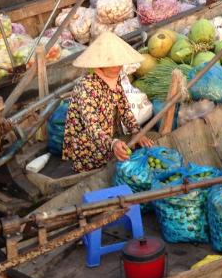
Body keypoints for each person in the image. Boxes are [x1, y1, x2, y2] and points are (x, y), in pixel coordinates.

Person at [62, 31, 154, 172]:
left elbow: (124, 107)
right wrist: (113, 143)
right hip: (87, 145)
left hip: (107, 139)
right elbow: (92, 126)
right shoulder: (87, 87)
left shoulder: (114, 79)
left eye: (119, 62)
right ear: (100, 65)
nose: (119, 66)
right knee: (97, 170)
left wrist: (136, 131)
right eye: (113, 63)